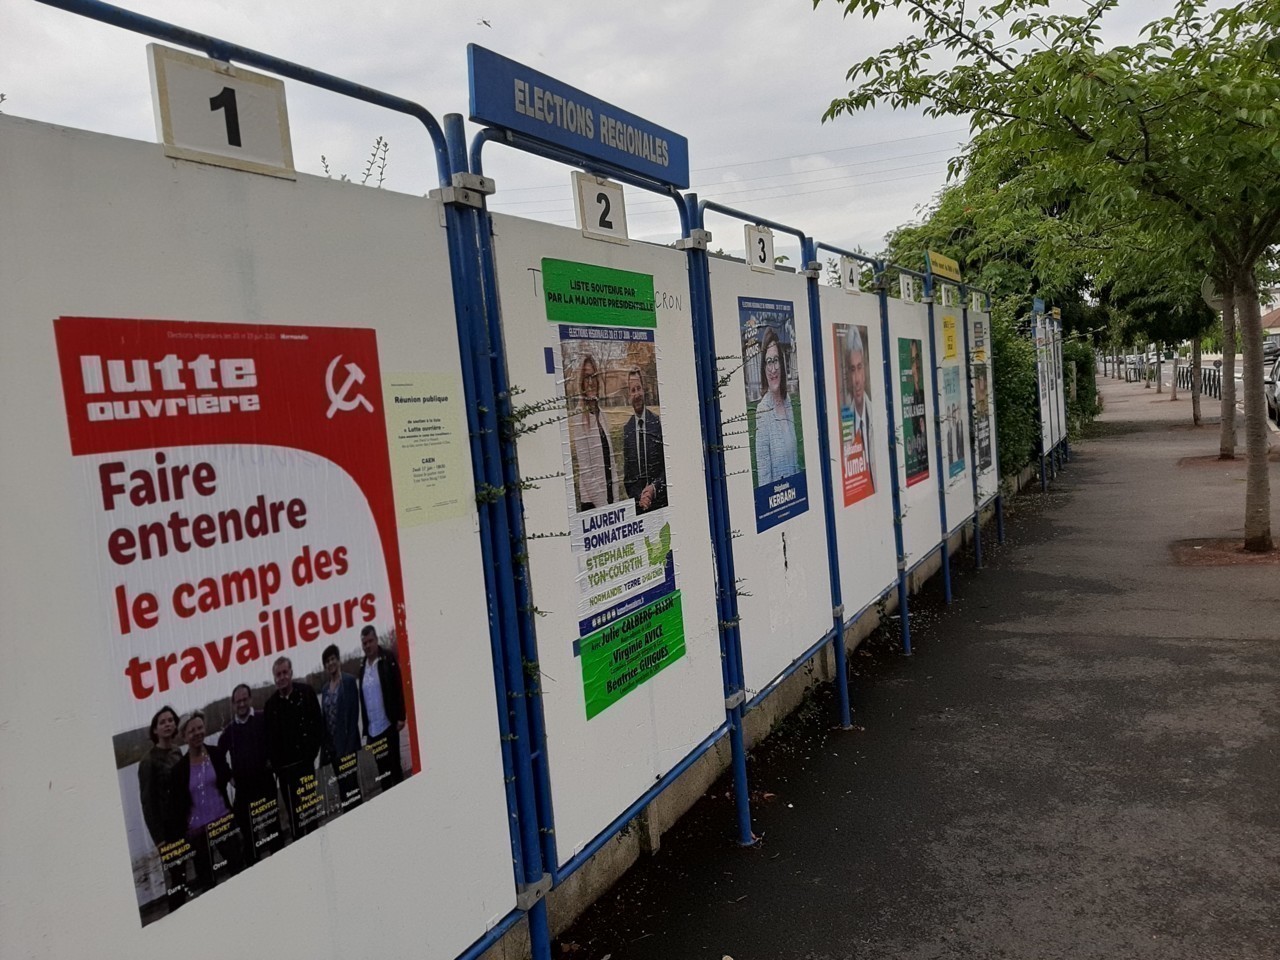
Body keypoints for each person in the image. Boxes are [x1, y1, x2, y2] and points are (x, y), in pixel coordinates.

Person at [172, 711, 242, 893]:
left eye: (200, 728)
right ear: (184, 736)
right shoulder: (179, 770)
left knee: (239, 869)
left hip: (223, 821)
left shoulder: (216, 753)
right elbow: (178, 805)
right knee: (208, 883)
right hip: (198, 833)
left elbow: (230, 777)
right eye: (191, 731)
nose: (197, 733)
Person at [264, 656, 325, 839]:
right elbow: (269, 741)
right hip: (285, 773)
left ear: (291, 673)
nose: (281, 677)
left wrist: (312, 753)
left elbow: (317, 725)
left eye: (284, 672)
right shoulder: (270, 705)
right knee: (294, 818)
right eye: (278, 674)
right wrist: (276, 766)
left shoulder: (306, 693)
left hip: (305, 765)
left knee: (310, 812)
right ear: (274, 678)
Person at [219, 683, 278, 863]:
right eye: (238, 701)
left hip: (266, 784)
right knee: (249, 839)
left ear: (250, 699)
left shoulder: (262, 718)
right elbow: (218, 758)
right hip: (243, 791)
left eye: (245, 700)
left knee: (273, 831)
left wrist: (273, 762)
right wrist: (229, 777)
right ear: (233, 704)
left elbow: (276, 741)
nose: (242, 704)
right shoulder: (228, 732)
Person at [138, 705, 188, 907]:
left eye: (170, 720)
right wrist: (159, 840)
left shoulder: (177, 751)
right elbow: (147, 804)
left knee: (187, 871)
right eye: (162, 722)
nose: (167, 724)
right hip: (167, 832)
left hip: (184, 823)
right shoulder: (148, 761)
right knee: (176, 878)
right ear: (155, 730)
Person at [567, 354, 621, 511]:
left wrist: (616, 502)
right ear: (581, 383)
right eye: (587, 377)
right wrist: (604, 506)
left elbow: (611, 461)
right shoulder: (579, 416)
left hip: (610, 499)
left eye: (594, 376)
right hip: (593, 504)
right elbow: (585, 470)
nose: (591, 382)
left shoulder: (602, 414)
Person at [358, 625, 406, 792]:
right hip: (373, 731)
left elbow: (398, 687)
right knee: (383, 773)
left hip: (389, 725)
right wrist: (365, 731)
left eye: (370, 641)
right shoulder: (362, 667)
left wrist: (401, 716)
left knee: (395, 769)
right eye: (364, 643)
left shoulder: (388, 658)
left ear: (376, 640)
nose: (368, 645)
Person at [318, 644, 362, 812]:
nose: (330, 663)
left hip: (348, 746)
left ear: (338, 660)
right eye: (327, 661)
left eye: (333, 659)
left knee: (352, 787)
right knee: (342, 789)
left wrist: (349, 747)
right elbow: (325, 720)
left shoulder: (349, 681)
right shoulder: (325, 690)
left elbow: (353, 716)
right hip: (334, 750)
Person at [753, 328, 799, 486]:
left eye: (776, 360)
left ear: (782, 362)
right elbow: (763, 474)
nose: (773, 369)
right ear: (764, 368)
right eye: (768, 362)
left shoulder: (788, 402)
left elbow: (796, 461)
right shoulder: (763, 411)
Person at [621, 368, 667, 513]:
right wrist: (640, 498)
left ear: (644, 390)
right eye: (633, 390)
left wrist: (653, 489)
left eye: (639, 388)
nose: (637, 394)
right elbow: (628, 477)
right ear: (629, 395)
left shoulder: (658, 424)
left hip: (661, 504)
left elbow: (668, 467)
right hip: (639, 508)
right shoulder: (627, 430)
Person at [840, 325, 875, 490]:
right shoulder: (845, 421)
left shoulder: (876, 413)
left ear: (865, 369)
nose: (857, 380)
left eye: (859, 367)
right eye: (852, 369)